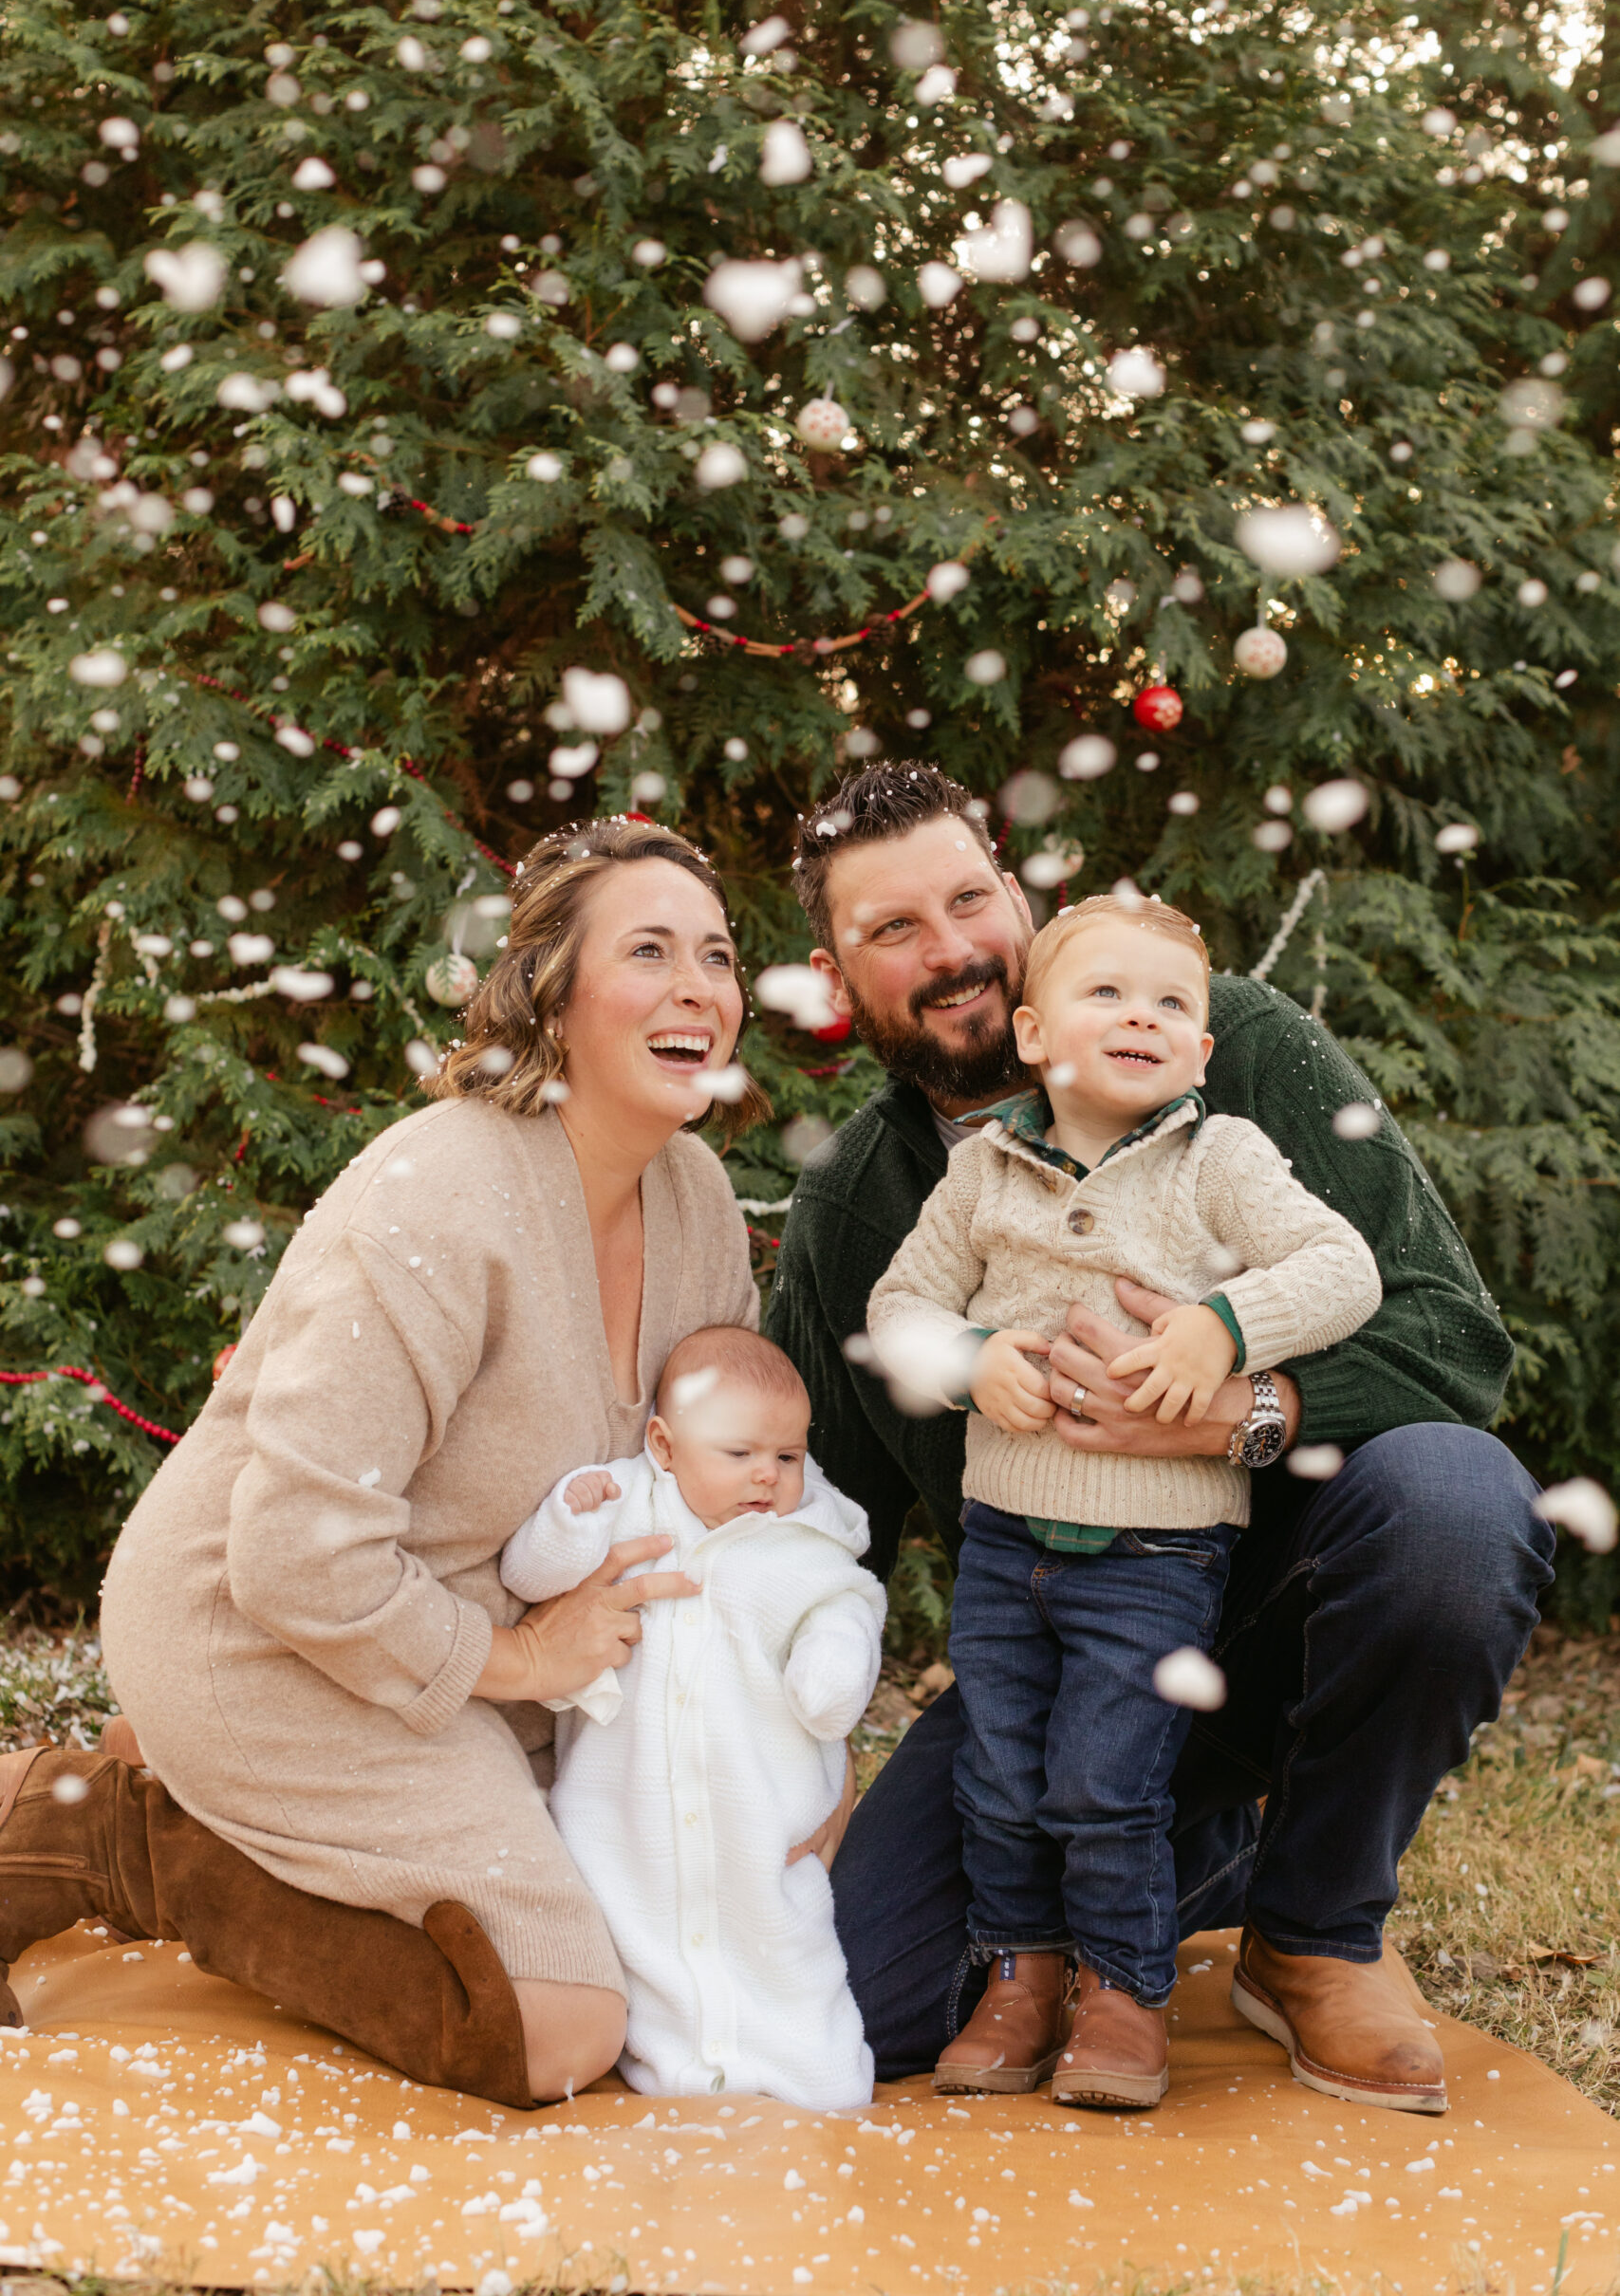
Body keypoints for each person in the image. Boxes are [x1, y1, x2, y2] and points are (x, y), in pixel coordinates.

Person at [765, 761, 1554, 2117]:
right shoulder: (864, 1199)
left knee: (1451, 1508)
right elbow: (809, 1517)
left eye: (967, 899)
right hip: (1046, 1648)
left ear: (1014, 897)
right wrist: (788, 1774)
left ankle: (1312, 1929)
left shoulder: (1217, 1044)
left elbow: (1447, 1334)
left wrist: (1239, 1392)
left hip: (1273, 1600)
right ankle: (1175, 1848)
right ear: (838, 977)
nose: (948, 950)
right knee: (869, 1997)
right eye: (894, 930)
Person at [0, 817, 790, 2108]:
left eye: (714, 953)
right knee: (556, 2030)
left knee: (695, 1973)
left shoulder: (695, 1197)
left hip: (473, 1657)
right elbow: (288, 1557)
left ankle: (196, 1797)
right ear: (552, 992)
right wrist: (524, 1659)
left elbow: (698, 1478)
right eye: (647, 952)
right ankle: (114, 1833)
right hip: (265, 1636)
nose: (698, 986)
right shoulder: (440, 1194)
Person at [867, 895, 1382, 2108]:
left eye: (1171, 1004)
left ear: (1203, 1051)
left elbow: (1343, 1269)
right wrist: (970, 1356)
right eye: (1107, 994)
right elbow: (899, 1310)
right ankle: (1020, 1977)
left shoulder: (1222, 1163)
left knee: (1106, 1780)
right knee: (997, 1772)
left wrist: (1223, 1325)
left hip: (1159, 1548)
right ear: (1035, 1034)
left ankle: (1123, 1991)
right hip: (1004, 1544)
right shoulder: (982, 1175)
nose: (1140, 1017)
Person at [498, 1324, 884, 2108]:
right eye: (738, 1455)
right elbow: (531, 1576)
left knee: (781, 1945)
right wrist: (568, 1522)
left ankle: (813, 2077)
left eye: (786, 1456)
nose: (767, 1477)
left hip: (757, 1819)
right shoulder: (624, 1504)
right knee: (639, 1938)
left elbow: (845, 1608)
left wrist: (834, 1667)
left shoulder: (805, 1541)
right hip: (623, 1811)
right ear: (665, 1447)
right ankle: (669, 2065)